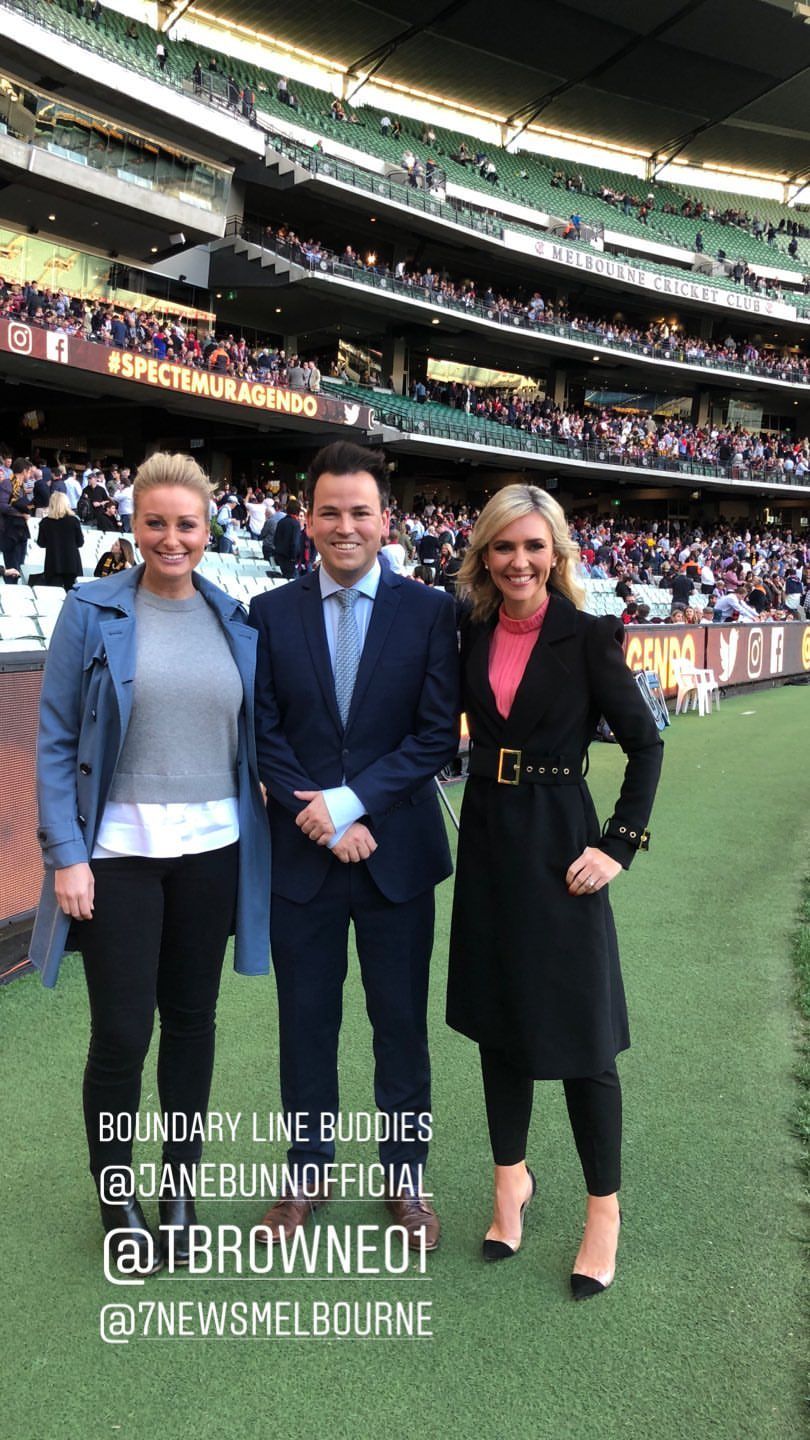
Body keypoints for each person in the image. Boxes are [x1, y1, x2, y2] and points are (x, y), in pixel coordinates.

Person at [29, 453, 270, 1275]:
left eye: (186, 525)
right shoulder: (90, 609)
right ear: (133, 525)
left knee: (193, 1024)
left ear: (208, 530)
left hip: (213, 853)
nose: (172, 538)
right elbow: (57, 738)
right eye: (155, 523)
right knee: (123, 1034)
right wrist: (67, 855)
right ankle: (116, 1198)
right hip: (118, 858)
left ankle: (179, 1193)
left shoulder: (233, 617)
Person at [446, 484, 663, 1300]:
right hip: (488, 839)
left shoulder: (587, 636)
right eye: (504, 546)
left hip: (561, 845)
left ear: (556, 553)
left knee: (583, 1036)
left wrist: (619, 845)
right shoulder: (469, 629)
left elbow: (645, 745)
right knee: (496, 1019)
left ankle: (603, 1210)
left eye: (534, 546)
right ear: (485, 553)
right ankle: (511, 1181)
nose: (519, 561)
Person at [247, 441, 459, 1251]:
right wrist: (326, 819)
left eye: (360, 512)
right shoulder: (270, 612)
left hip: (395, 858)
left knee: (399, 1025)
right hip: (302, 860)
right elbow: (263, 730)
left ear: (385, 519)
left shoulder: (429, 611)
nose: (345, 526)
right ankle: (307, 1173)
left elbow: (433, 736)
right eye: (330, 512)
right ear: (306, 520)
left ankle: (405, 1178)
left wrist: (349, 805)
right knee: (306, 1024)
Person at [36, 492, 85, 591]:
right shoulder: (74, 521)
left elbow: (41, 543)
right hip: (71, 563)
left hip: (53, 563)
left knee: (54, 594)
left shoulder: (45, 522)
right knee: (72, 593)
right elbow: (80, 542)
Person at [0, 457, 33, 581]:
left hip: (21, 531)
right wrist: (20, 514)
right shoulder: (7, 483)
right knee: (12, 569)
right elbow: (2, 505)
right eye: (29, 472)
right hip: (9, 532)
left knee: (19, 568)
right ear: (24, 471)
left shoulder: (21, 487)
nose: (30, 475)